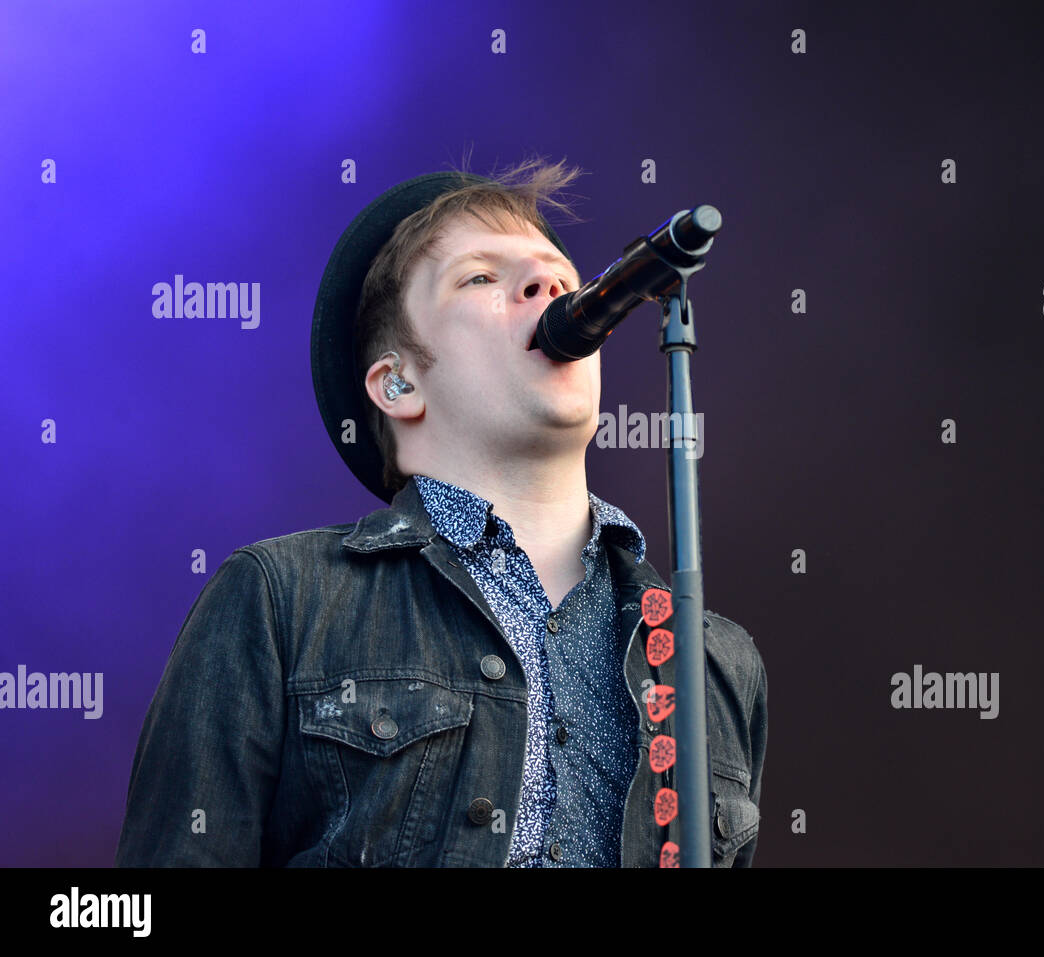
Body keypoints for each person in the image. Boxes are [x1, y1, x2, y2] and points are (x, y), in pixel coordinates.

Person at [114, 156, 767, 868]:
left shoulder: (717, 659)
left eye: (559, 275)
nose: (549, 285)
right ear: (397, 382)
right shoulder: (278, 598)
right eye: (481, 277)